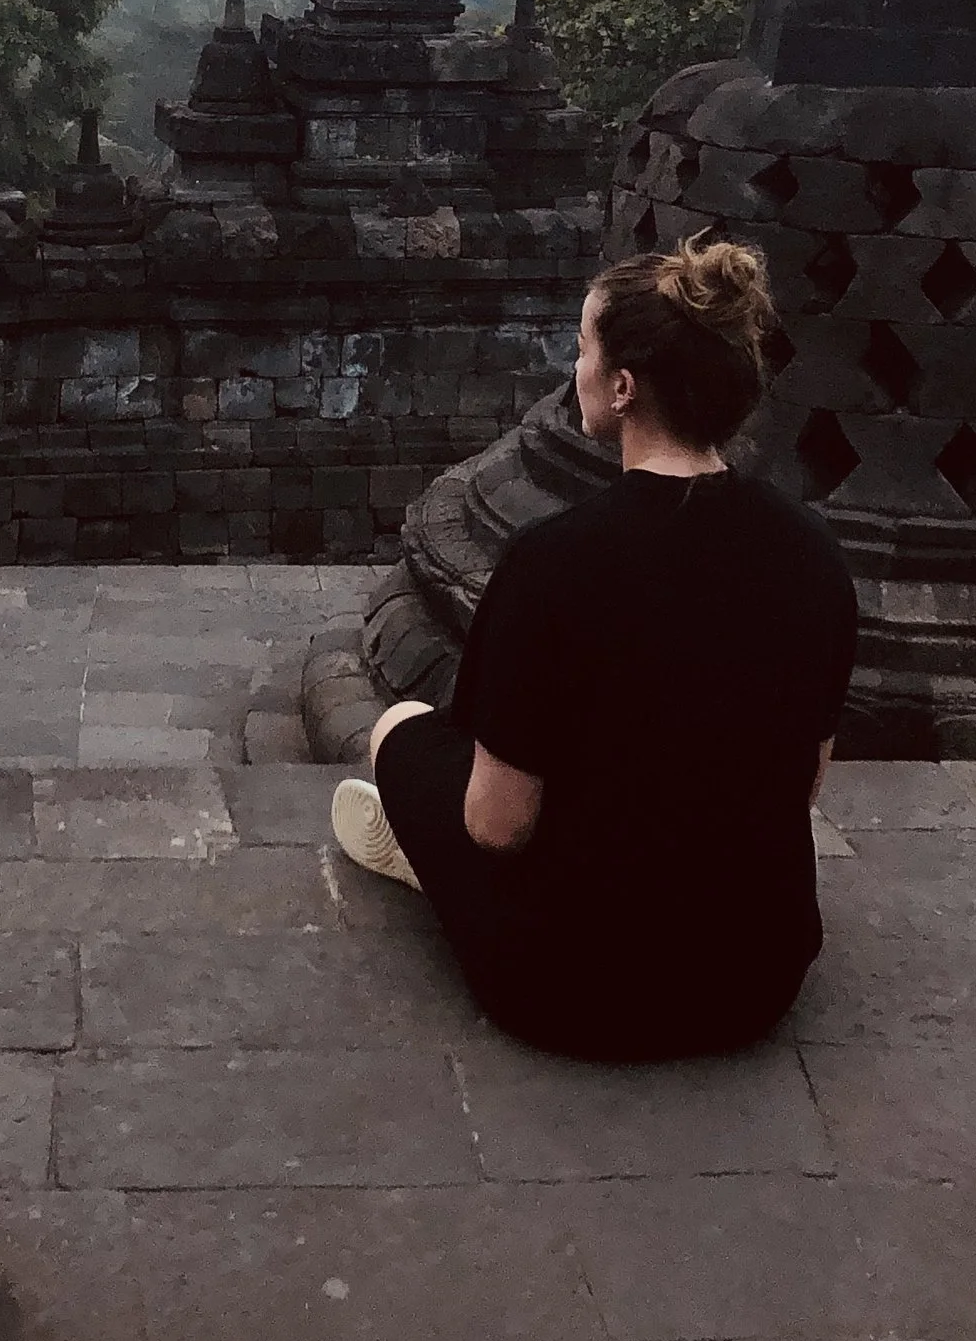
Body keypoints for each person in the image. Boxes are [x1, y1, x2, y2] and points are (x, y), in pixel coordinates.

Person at [330, 232, 857, 1060]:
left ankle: (428, 867)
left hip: (572, 986)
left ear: (621, 387)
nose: (571, 369)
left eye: (581, 349)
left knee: (399, 728)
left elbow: (498, 826)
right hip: (755, 974)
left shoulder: (555, 563)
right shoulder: (814, 553)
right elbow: (805, 786)